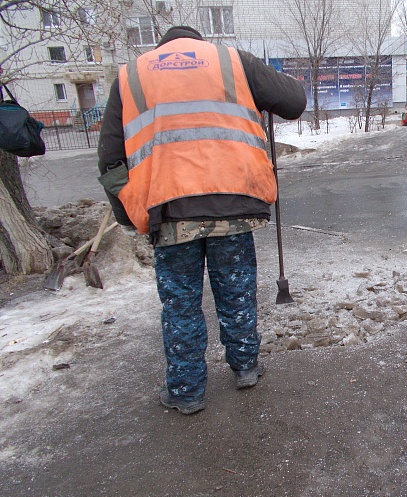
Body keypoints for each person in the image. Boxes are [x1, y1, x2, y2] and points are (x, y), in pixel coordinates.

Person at [97, 26, 306, 414]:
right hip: (234, 203)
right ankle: (246, 367)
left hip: (168, 210)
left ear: (162, 47)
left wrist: (129, 215)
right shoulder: (231, 60)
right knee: (237, 291)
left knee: (180, 304)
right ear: (198, 43)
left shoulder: (131, 75)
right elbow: (294, 101)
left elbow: (110, 159)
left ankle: (187, 391)